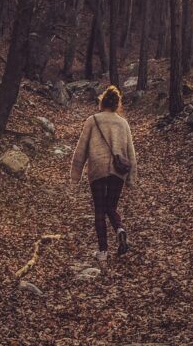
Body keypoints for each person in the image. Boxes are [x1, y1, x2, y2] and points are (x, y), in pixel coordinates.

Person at [70, 85, 137, 261]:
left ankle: (103, 251)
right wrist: (131, 178)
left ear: (102, 102)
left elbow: (81, 148)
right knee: (111, 207)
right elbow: (131, 152)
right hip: (118, 171)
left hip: (97, 169)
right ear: (116, 104)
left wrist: (75, 174)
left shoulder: (92, 120)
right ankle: (120, 228)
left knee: (100, 209)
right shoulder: (123, 123)